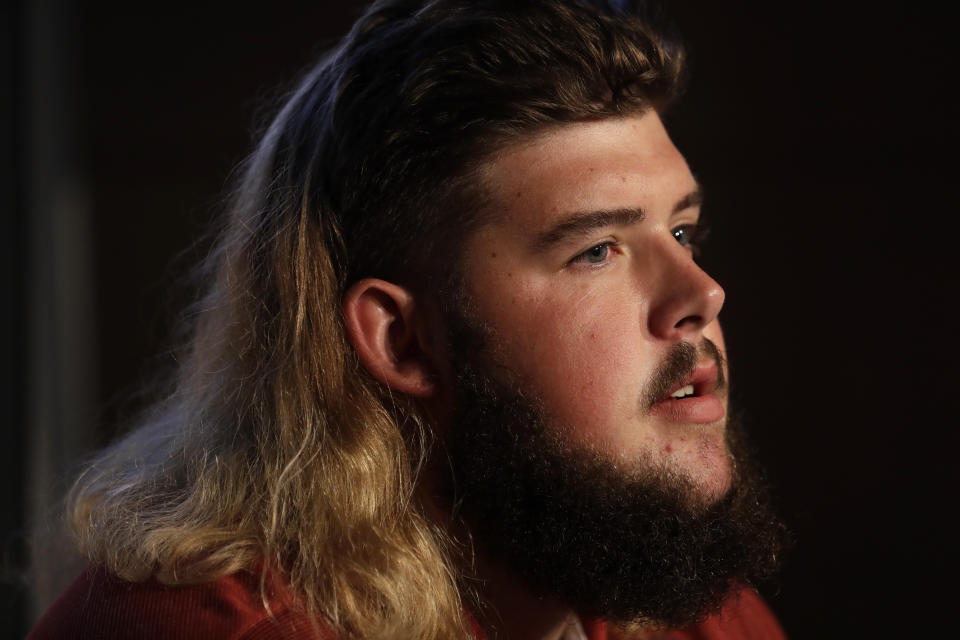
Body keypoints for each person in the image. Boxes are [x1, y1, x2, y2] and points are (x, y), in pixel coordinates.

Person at [29, 1, 787, 638]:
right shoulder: (207, 629)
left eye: (682, 232)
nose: (702, 294)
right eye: (596, 250)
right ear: (404, 340)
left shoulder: (692, 611)